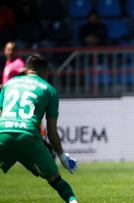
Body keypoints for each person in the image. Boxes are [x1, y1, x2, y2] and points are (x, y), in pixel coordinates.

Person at [0, 53, 78, 203]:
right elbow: (52, 132)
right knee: (56, 181)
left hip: (2, 134)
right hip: (28, 136)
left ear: (27, 69)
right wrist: (62, 157)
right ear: (45, 71)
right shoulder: (49, 90)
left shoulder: (9, 84)